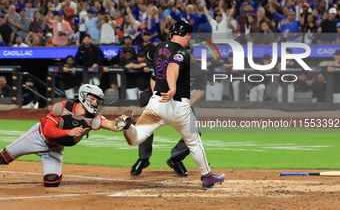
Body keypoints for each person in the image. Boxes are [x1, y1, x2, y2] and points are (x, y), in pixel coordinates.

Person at [114, 21, 225, 189]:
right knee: (194, 141)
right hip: (177, 106)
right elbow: (173, 66)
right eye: (189, 37)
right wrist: (172, 87)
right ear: (186, 35)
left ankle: (128, 126)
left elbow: (152, 56)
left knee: (136, 137)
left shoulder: (159, 47)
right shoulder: (184, 53)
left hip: (156, 103)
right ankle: (207, 176)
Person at [0, 84, 126, 187]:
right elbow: (48, 130)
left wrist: (128, 123)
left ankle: (54, 173)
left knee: (52, 181)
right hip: (38, 137)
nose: (95, 103)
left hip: (55, 149)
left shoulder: (93, 119)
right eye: (92, 99)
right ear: (83, 96)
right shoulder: (63, 107)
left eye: (97, 101)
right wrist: (69, 132)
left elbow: (112, 125)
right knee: (3, 157)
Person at [130, 51, 206, 177]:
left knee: (195, 132)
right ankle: (143, 159)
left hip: (181, 103)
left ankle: (175, 159)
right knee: (144, 127)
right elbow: (154, 79)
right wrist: (156, 97)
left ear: (192, 56)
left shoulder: (197, 69)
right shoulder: (168, 64)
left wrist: (191, 101)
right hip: (161, 100)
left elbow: (201, 88)